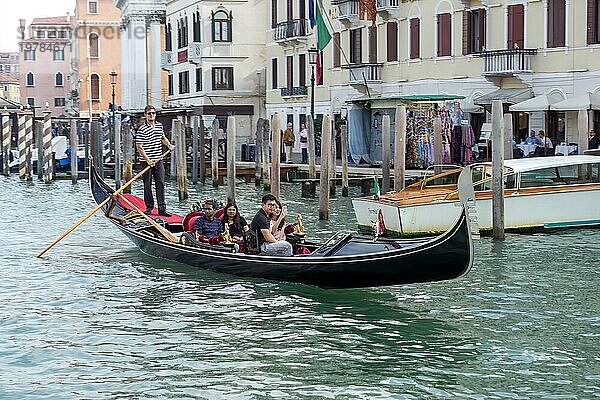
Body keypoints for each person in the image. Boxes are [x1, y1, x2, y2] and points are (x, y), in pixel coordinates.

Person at [136, 105, 175, 216]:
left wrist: (169, 145)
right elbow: (139, 146)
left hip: (158, 160)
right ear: (145, 115)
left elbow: (162, 138)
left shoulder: (159, 126)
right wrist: (148, 160)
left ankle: (162, 209)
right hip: (146, 162)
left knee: (161, 184)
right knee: (147, 185)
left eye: (153, 113)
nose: (151, 115)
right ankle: (149, 208)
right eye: (149, 113)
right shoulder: (141, 129)